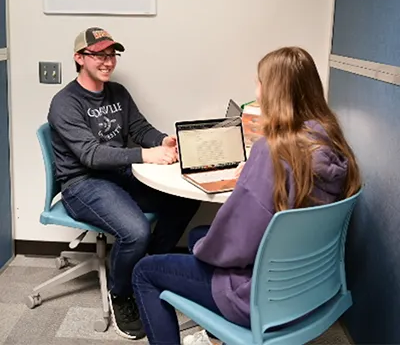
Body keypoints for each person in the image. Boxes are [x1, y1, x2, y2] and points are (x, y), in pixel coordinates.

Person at [131, 46, 361, 345]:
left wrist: (251, 179)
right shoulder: (330, 141)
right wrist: (253, 177)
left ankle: (219, 328)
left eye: (259, 83)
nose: (256, 90)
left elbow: (236, 241)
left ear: (272, 92)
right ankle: (218, 338)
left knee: (146, 270)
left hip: (259, 297)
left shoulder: (272, 151)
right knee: (200, 235)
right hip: (311, 288)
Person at [47, 27, 200, 340]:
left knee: (185, 196)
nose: (108, 61)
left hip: (119, 174)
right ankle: (121, 293)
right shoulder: (64, 103)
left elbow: (140, 128)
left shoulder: (117, 93)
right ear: (79, 58)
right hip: (83, 183)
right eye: (99, 54)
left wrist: (164, 142)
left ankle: (149, 266)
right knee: (135, 231)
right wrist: (146, 155)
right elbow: (90, 155)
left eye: (111, 54)